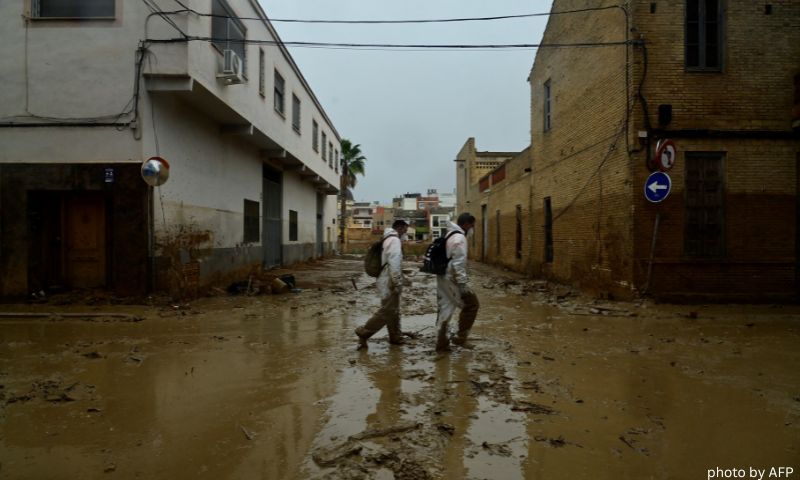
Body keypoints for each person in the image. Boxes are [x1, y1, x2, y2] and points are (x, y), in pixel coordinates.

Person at [355, 219, 410, 349]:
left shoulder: (387, 239)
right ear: (400, 228)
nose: (406, 233)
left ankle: (395, 337)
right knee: (388, 310)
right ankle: (364, 332)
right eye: (405, 230)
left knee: (392, 310)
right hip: (389, 280)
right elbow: (395, 262)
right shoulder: (394, 240)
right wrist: (397, 282)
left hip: (384, 279)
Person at [436, 213, 479, 352]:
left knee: (446, 309)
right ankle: (460, 338)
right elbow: (458, 264)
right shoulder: (460, 238)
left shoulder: (450, 234)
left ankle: (442, 344)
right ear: (466, 224)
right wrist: (462, 285)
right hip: (452, 278)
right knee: (472, 305)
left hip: (443, 276)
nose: (473, 229)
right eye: (472, 225)